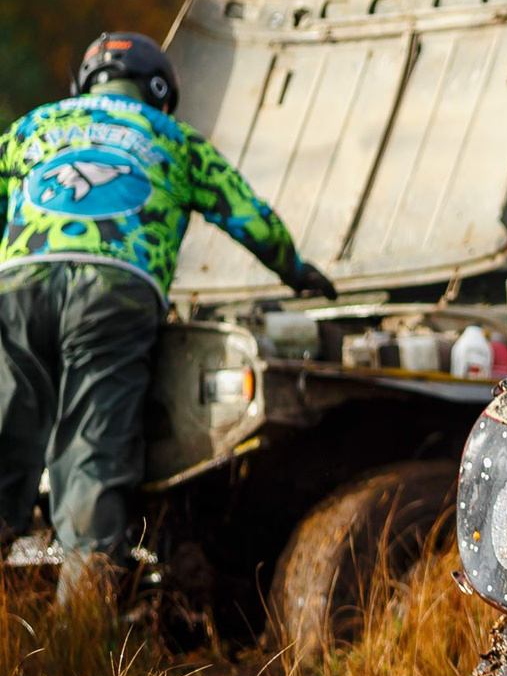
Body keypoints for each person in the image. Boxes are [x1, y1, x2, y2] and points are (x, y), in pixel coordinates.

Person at [0, 32, 335, 606]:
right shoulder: (174, 138)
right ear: (159, 91)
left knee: (6, 439)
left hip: (20, 281)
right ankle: (78, 650)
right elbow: (247, 215)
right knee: (91, 459)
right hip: (115, 289)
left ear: (86, 83)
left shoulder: (32, 127)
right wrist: (298, 272)